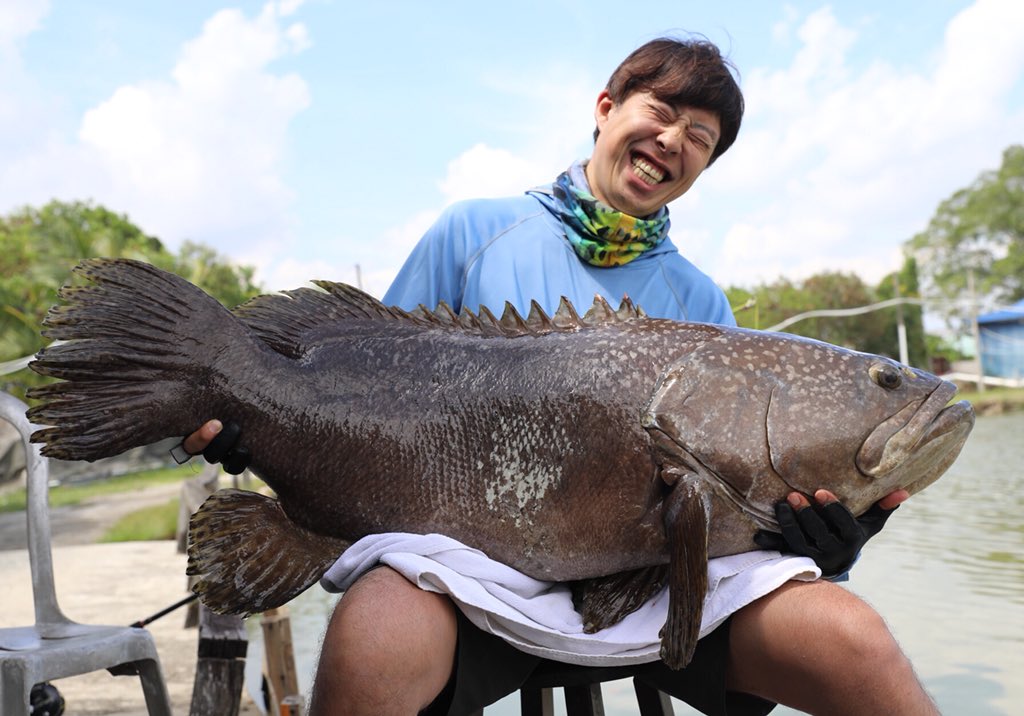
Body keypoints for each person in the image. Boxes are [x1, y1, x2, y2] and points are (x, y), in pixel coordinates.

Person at [182, 37, 938, 716]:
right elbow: (369, 370)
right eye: (661, 111)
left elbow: (730, 488)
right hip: (464, 567)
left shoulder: (702, 303)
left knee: (852, 640)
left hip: (655, 578)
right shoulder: (475, 233)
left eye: (699, 138)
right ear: (606, 110)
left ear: (705, 165)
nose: (673, 139)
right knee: (373, 634)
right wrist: (261, 418)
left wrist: (820, 542)